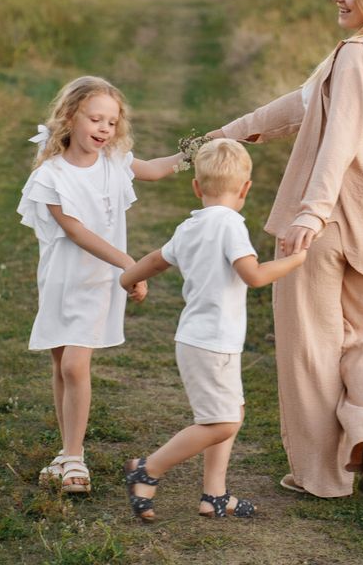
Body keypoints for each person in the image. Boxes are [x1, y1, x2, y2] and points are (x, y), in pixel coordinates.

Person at [208, 0, 363, 498]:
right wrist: (230, 133)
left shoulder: (353, 55)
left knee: (310, 348)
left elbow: (339, 138)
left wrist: (311, 211)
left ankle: (320, 477)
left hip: (324, 225)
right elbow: (303, 105)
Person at [120, 138, 306, 521]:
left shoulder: (190, 226)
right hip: (212, 342)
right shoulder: (231, 226)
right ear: (245, 189)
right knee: (221, 422)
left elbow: (157, 259)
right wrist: (296, 260)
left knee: (231, 411)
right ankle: (148, 469)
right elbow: (253, 276)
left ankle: (215, 495)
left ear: (196, 187)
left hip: (201, 339)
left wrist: (128, 278)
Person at [18, 75, 183, 494]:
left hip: (99, 280)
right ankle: (66, 450)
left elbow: (156, 170)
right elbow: (76, 232)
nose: (104, 130)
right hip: (60, 279)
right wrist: (129, 265)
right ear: (71, 117)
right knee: (60, 363)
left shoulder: (114, 160)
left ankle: (75, 461)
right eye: (96, 119)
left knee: (75, 364)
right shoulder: (50, 175)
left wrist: (203, 149)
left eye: (112, 122)